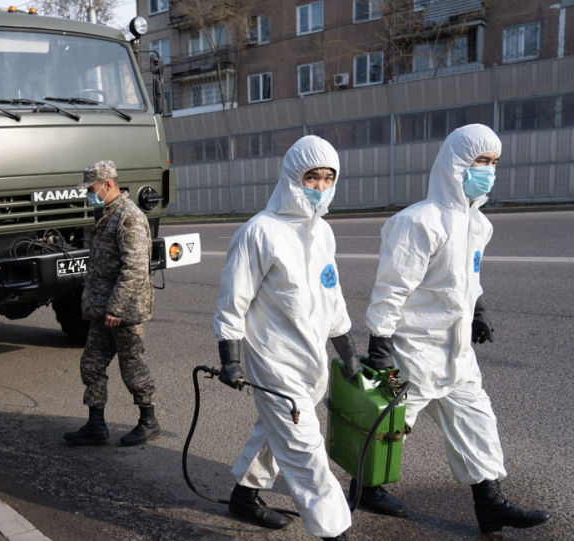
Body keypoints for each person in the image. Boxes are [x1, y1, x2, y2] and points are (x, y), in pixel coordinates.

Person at [361, 124, 551, 534]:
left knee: (477, 422)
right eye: (480, 161)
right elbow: (391, 289)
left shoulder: (479, 224)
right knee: (390, 427)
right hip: (415, 348)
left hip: (457, 349)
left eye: (494, 163)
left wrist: (478, 310)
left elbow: (470, 276)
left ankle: (490, 503)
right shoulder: (419, 222)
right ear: (456, 164)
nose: (488, 170)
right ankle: (365, 489)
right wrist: (380, 343)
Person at [214, 136, 359, 541]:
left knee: (275, 431)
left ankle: (244, 496)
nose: (320, 187)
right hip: (274, 364)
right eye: (312, 177)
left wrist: (347, 352)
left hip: (310, 361)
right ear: (293, 177)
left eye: (329, 178)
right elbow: (233, 301)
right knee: (307, 454)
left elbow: (333, 297)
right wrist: (230, 358)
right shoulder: (260, 232)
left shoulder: (323, 234)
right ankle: (335, 532)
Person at [63, 160, 161, 447]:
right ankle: (96, 425)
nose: (88, 195)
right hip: (103, 311)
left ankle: (148, 421)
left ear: (108, 184)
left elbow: (134, 268)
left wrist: (116, 308)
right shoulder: (107, 213)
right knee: (91, 365)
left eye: (92, 189)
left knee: (133, 368)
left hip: (123, 312)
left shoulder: (128, 217)